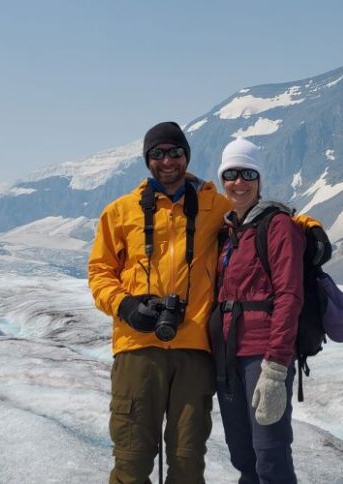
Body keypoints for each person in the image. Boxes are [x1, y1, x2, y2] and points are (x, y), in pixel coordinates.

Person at [88, 121, 233, 484]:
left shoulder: (215, 206)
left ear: (187, 156)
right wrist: (126, 307)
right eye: (158, 154)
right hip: (137, 349)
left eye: (175, 152)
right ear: (146, 160)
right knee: (132, 460)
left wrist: (307, 226)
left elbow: (262, 214)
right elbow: (99, 272)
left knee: (187, 463)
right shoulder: (120, 212)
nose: (167, 161)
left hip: (195, 350)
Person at [209, 138, 304, 484]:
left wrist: (276, 368)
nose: (239, 182)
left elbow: (290, 295)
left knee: (270, 457)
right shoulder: (228, 232)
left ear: (259, 179)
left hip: (262, 358)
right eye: (231, 174)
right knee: (243, 456)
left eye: (248, 173)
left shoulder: (277, 225)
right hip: (228, 358)